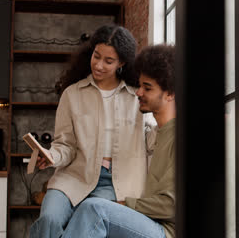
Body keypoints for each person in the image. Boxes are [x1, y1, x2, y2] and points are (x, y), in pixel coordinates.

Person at [30, 25, 154, 238]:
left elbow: (152, 140)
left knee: (83, 229)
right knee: (49, 219)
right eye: (96, 56)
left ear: (122, 63)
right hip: (74, 176)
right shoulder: (72, 94)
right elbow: (65, 144)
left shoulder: (137, 96)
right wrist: (52, 156)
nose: (98, 65)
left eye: (108, 61)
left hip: (116, 183)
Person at [61, 44, 176, 238]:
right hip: (147, 221)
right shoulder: (157, 133)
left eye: (147, 88)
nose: (138, 92)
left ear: (170, 94)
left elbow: (174, 205)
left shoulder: (179, 137)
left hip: (166, 231)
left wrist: (124, 204)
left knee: (95, 210)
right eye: (140, 85)